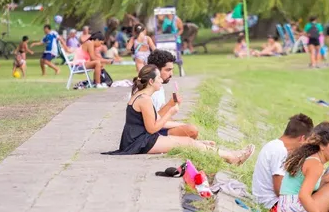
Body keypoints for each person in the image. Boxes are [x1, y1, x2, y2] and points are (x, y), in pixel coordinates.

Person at [105, 65, 254, 164]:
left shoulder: (143, 96)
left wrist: (170, 105)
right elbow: (152, 128)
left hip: (138, 139)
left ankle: (218, 151)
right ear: (151, 81)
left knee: (190, 142)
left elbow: (153, 120)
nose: (161, 80)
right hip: (139, 142)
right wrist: (170, 112)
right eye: (158, 78)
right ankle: (232, 157)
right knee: (188, 143)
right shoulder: (144, 99)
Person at [251, 114, 314, 212]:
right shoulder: (280, 151)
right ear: (302, 138)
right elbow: (279, 190)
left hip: (267, 201)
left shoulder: (274, 144)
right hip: (272, 205)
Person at [146, 49, 197, 139]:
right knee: (191, 130)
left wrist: (172, 105)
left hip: (159, 127)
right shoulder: (148, 90)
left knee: (190, 129)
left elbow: (160, 113)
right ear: (156, 70)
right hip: (149, 133)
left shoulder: (159, 86)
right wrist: (170, 106)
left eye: (172, 70)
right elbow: (153, 121)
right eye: (168, 70)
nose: (171, 74)